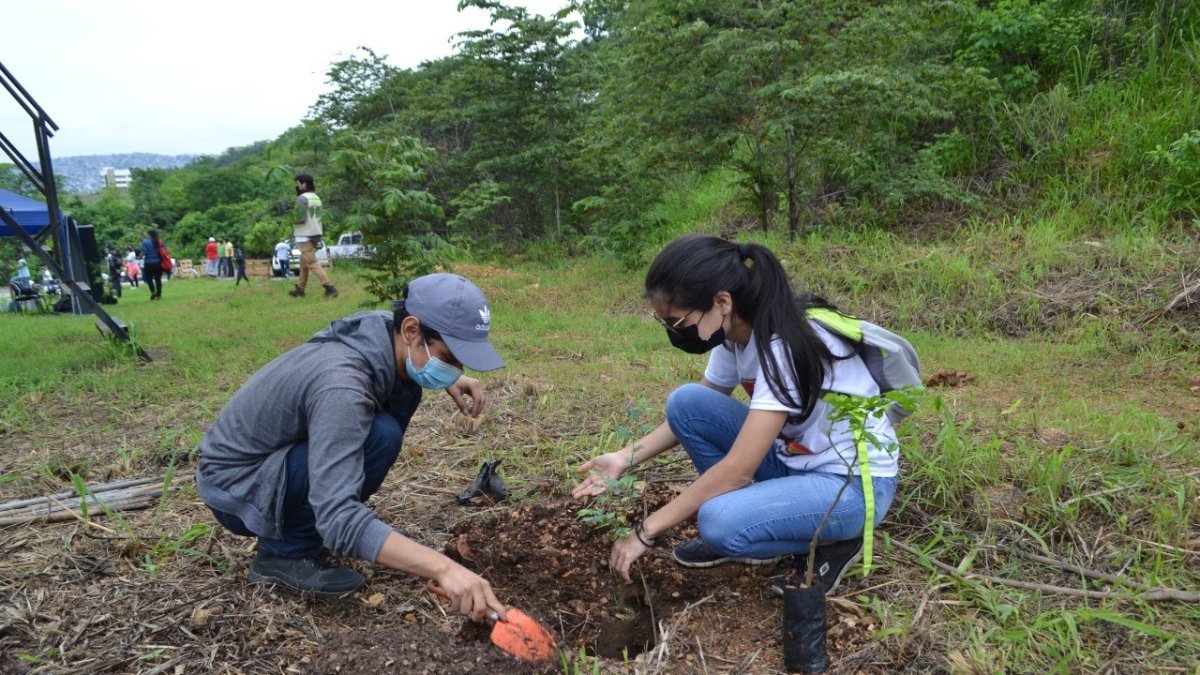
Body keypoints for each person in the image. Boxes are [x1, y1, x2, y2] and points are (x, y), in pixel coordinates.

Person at [572, 234, 900, 597]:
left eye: (678, 321)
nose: (674, 331)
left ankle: (834, 541)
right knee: (687, 401)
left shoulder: (785, 345)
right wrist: (623, 458)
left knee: (717, 522)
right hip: (796, 462)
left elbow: (738, 469)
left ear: (722, 301)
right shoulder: (735, 334)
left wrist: (645, 531)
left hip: (850, 487)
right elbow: (697, 412)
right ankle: (764, 518)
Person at [197, 273, 505, 617]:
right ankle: (284, 552)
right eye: (449, 356)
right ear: (411, 331)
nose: (454, 368)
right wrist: (445, 569)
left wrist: (448, 374)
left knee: (394, 411)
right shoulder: (342, 386)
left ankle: (313, 528)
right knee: (380, 437)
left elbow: (405, 354)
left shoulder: (383, 333)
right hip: (236, 486)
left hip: (273, 460)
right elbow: (338, 517)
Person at [288, 173, 338, 299]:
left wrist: (288, 219)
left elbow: (300, 218)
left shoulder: (302, 198)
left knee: (312, 263)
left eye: (298, 183)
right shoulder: (316, 197)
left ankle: (329, 287)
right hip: (316, 232)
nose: (297, 186)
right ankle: (300, 289)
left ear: (304, 184)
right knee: (304, 264)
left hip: (304, 234)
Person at [140, 229, 165, 300]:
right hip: (158, 262)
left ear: (149, 235)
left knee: (149, 279)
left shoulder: (145, 242)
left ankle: (153, 292)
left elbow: (144, 252)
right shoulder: (160, 242)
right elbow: (164, 251)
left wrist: (139, 257)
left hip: (148, 263)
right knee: (158, 279)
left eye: (147, 234)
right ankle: (159, 295)